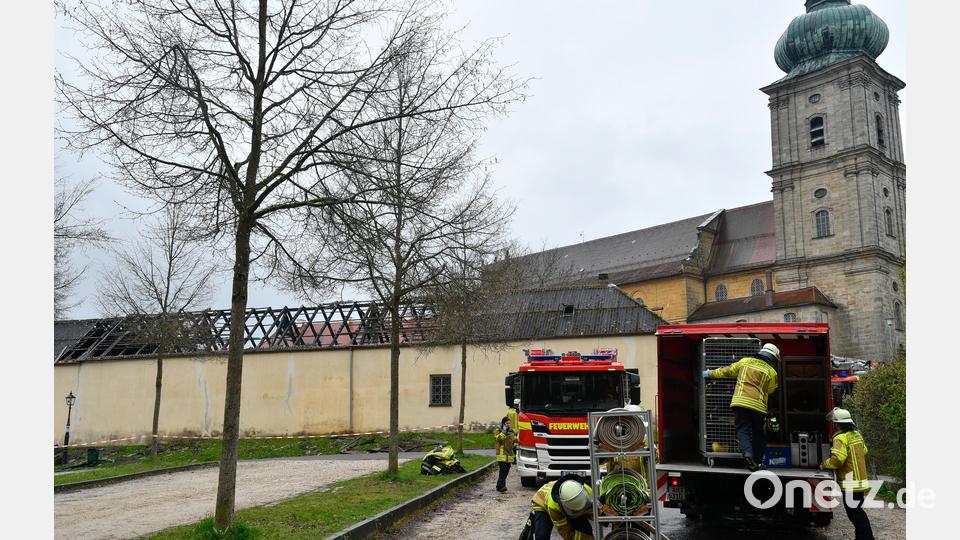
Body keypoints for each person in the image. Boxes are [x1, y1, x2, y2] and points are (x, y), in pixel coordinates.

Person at [703, 342, 780, 471]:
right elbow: (771, 390)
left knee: (742, 429)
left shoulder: (745, 362)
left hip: (740, 402)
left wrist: (709, 374)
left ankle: (747, 454)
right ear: (772, 358)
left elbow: (726, 371)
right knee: (758, 433)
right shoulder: (771, 372)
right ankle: (758, 462)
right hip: (758, 406)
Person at [821, 407, 874, 540]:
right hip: (860, 481)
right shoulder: (857, 434)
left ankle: (866, 538)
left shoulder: (840, 438)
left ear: (837, 424)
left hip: (851, 483)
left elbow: (838, 460)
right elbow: (865, 451)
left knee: (855, 513)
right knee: (856, 511)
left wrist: (824, 464)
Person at [522, 474, 594, 540]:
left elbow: (598, 512)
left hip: (570, 508)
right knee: (542, 536)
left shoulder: (589, 492)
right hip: (542, 503)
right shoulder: (554, 507)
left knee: (585, 530)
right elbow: (566, 533)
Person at [494, 416, 515, 492]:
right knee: (502, 471)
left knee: (506, 472)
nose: (508, 425)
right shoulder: (498, 431)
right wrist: (504, 431)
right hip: (502, 455)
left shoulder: (511, 432)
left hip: (509, 455)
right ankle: (503, 486)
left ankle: (499, 485)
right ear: (503, 423)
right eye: (507, 423)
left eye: (509, 423)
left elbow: (514, 441)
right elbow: (498, 439)